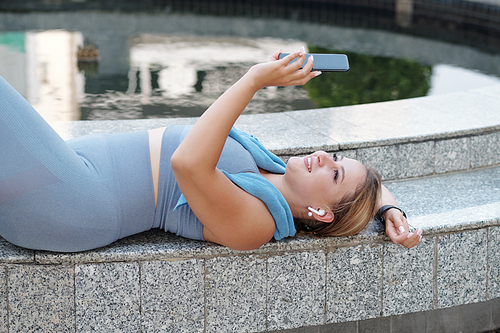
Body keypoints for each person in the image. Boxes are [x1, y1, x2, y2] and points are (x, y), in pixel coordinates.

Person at [0, 47, 421, 252]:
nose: (326, 158)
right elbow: (364, 193)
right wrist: (388, 210)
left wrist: (254, 80)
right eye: (337, 156)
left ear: (321, 214)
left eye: (333, 173)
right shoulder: (268, 171)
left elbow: (187, 164)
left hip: (72, 202)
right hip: (66, 176)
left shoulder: (255, 225)